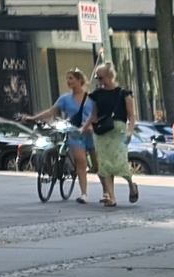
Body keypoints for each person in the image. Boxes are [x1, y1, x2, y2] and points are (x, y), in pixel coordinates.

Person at [26, 70, 92, 203]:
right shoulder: (64, 99)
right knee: (81, 161)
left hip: (91, 132)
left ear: (79, 80)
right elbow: (51, 111)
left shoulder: (91, 98)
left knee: (98, 164)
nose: (68, 81)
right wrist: (33, 118)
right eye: (67, 78)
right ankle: (84, 194)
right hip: (75, 133)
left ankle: (107, 192)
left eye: (71, 78)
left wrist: (93, 126)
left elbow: (98, 114)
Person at [86, 64, 139, 207]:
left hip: (118, 131)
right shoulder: (97, 94)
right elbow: (93, 114)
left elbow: (131, 116)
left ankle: (131, 184)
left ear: (110, 76)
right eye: (97, 77)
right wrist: (86, 126)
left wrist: (130, 132)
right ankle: (111, 197)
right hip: (102, 132)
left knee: (120, 162)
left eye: (100, 77)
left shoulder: (123, 93)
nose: (98, 80)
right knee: (104, 165)